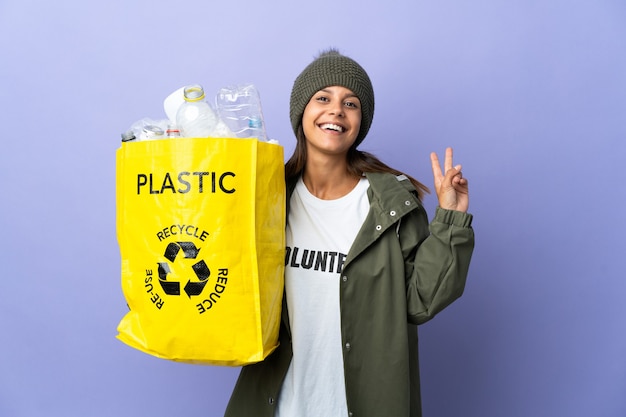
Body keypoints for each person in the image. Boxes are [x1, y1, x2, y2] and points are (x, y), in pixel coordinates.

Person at [224, 48, 474, 417]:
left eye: (351, 103)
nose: (336, 110)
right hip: (278, 404)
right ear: (302, 113)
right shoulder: (266, 197)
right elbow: (228, 281)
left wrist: (451, 218)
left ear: (360, 122)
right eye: (323, 98)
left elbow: (422, 301)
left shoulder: (392, 205)